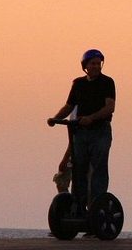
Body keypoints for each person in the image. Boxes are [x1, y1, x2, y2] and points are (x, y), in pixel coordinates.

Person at [48, 49, 116, 215]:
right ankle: (77, 208)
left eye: (98, 64)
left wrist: (91, 118)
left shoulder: (107, 82)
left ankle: (96, 208)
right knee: (79, 169)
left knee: (98, 169)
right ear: (85, 66)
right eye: (92, 63)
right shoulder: (78, 83)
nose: (96, 67)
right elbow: (69, 106)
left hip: (99, 131)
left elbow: (109, 107)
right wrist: (55, 118)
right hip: (80, 132)